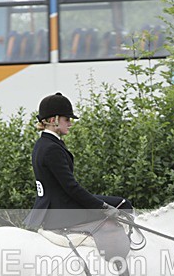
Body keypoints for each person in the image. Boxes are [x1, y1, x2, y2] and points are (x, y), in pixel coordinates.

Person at [24, 92, 133, 232]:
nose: (70, 123)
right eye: (67, 119)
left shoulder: (42, 144)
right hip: (63, 211)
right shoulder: (52, 148)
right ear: (53, 120)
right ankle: (120, 252)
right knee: (123, 204)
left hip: (51, 207)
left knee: (119, 202)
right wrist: (102, 207)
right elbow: (71, 187)